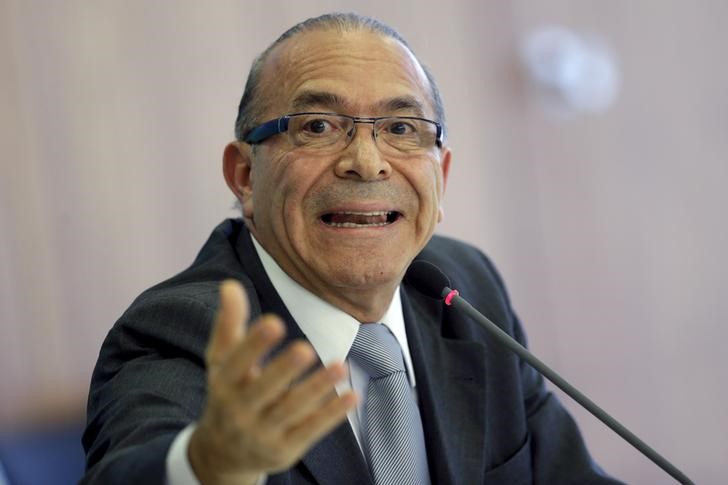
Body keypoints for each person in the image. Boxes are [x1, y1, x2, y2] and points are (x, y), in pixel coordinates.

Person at [81, 12, 622, 485]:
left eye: (401, 128)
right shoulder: (180, 330)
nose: (366, 161)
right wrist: (209, 466)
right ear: (245, 176)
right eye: (318, 126)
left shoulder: (465, 287)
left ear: (443, 178)